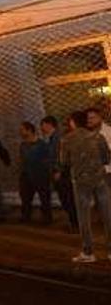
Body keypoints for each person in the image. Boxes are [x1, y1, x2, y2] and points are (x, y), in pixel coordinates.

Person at [60, 111, 111, 263]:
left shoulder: (67, 139)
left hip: (80, 181)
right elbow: (106, 158)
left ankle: (88, 252)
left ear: (73, 122)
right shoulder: (98, 136)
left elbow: (64, 162)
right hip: (100, 179)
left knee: (84, 217)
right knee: (107, 214)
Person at [43, 115, 78, 231]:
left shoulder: (57, 138)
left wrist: (58, 170)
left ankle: (75, 224)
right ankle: (74, 223)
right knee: (67, 198)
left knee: (67, 198)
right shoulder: (53, 137)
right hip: (60, 172)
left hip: (61, 173)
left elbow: (60, 156)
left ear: (48, 124)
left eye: (43, 125)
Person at [18, 121, 52, 224]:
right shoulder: (23, 145)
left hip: (40, 175)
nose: (20, 132)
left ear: (29, 130)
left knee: (44, 197)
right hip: (26, 175)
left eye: (22, 130)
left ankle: (47, 218)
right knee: (26, 197)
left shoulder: (42, 144)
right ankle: (26, 216)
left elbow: (48, 159)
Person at [85, 107, 111, 186]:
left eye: (92, 118)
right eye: (88, 119)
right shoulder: (88, 134)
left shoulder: (108, 132)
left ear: (100, 117)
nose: (89, 121)